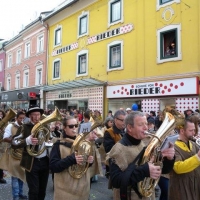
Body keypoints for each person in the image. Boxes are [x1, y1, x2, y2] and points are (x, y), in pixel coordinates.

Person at [108, 111, 175, 200]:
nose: (146, 128)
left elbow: (163, 171)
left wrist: (169, 159)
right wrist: (145, 170)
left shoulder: (144, 144)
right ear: (130, 128)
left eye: (146, 124)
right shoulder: (118, 149)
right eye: (141, 125)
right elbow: (116, 181)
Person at [49, 116, 94, 200]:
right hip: (65, 190)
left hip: (82, 189)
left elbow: (85, 165)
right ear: (64, 128)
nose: (74, 128)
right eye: (71, 126)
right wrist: (71, 159)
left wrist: (89, 161)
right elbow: (53, 167)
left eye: (76, 126)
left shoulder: (83, 143)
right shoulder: (58, 145)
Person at [12, 106, 49, 200]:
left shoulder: (45, 126)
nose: (36, 117)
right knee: (34, 191)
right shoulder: (24, 127)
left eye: (38, 114)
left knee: (42, 190)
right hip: (31, 162)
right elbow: (14, 143)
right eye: (34, 115)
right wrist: (27, 141)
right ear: (29, 116)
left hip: (45, 161)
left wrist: (51, 139)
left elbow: (52, 138)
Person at [169, 119, 200, 200]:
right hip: (180, 188)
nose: (194, 133)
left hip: (195, 186)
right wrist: (197, 157)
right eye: (191, 130)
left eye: (194, 130)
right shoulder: (173, 146)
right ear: (182, 131)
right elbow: (178, 168)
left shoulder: (194, 144)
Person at [2, 111, 27, 200]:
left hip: (22, 153)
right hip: (14, 153)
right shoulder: (10, 126)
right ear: (16, 118)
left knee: (21, 174)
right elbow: (5, 138)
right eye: (20, 118)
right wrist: (13, 141)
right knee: (15, 176)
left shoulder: (24, 126)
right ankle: (15, 196)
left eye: (23, 118)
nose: (22, 120)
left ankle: (20, 193)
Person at [103, 110, 126, 180]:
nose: (124, 122)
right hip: (116, 166)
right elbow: (109, 150)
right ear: (115, 120)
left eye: (125, 120)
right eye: (122, 120)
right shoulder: (109, 132)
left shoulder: (125, 131)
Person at [0, 109, 7, 184]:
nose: (0, 116)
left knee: (1, 161)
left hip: (2, 145)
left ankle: (0, 177)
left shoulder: (5, 123)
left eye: (1, 114)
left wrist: (3, 130)